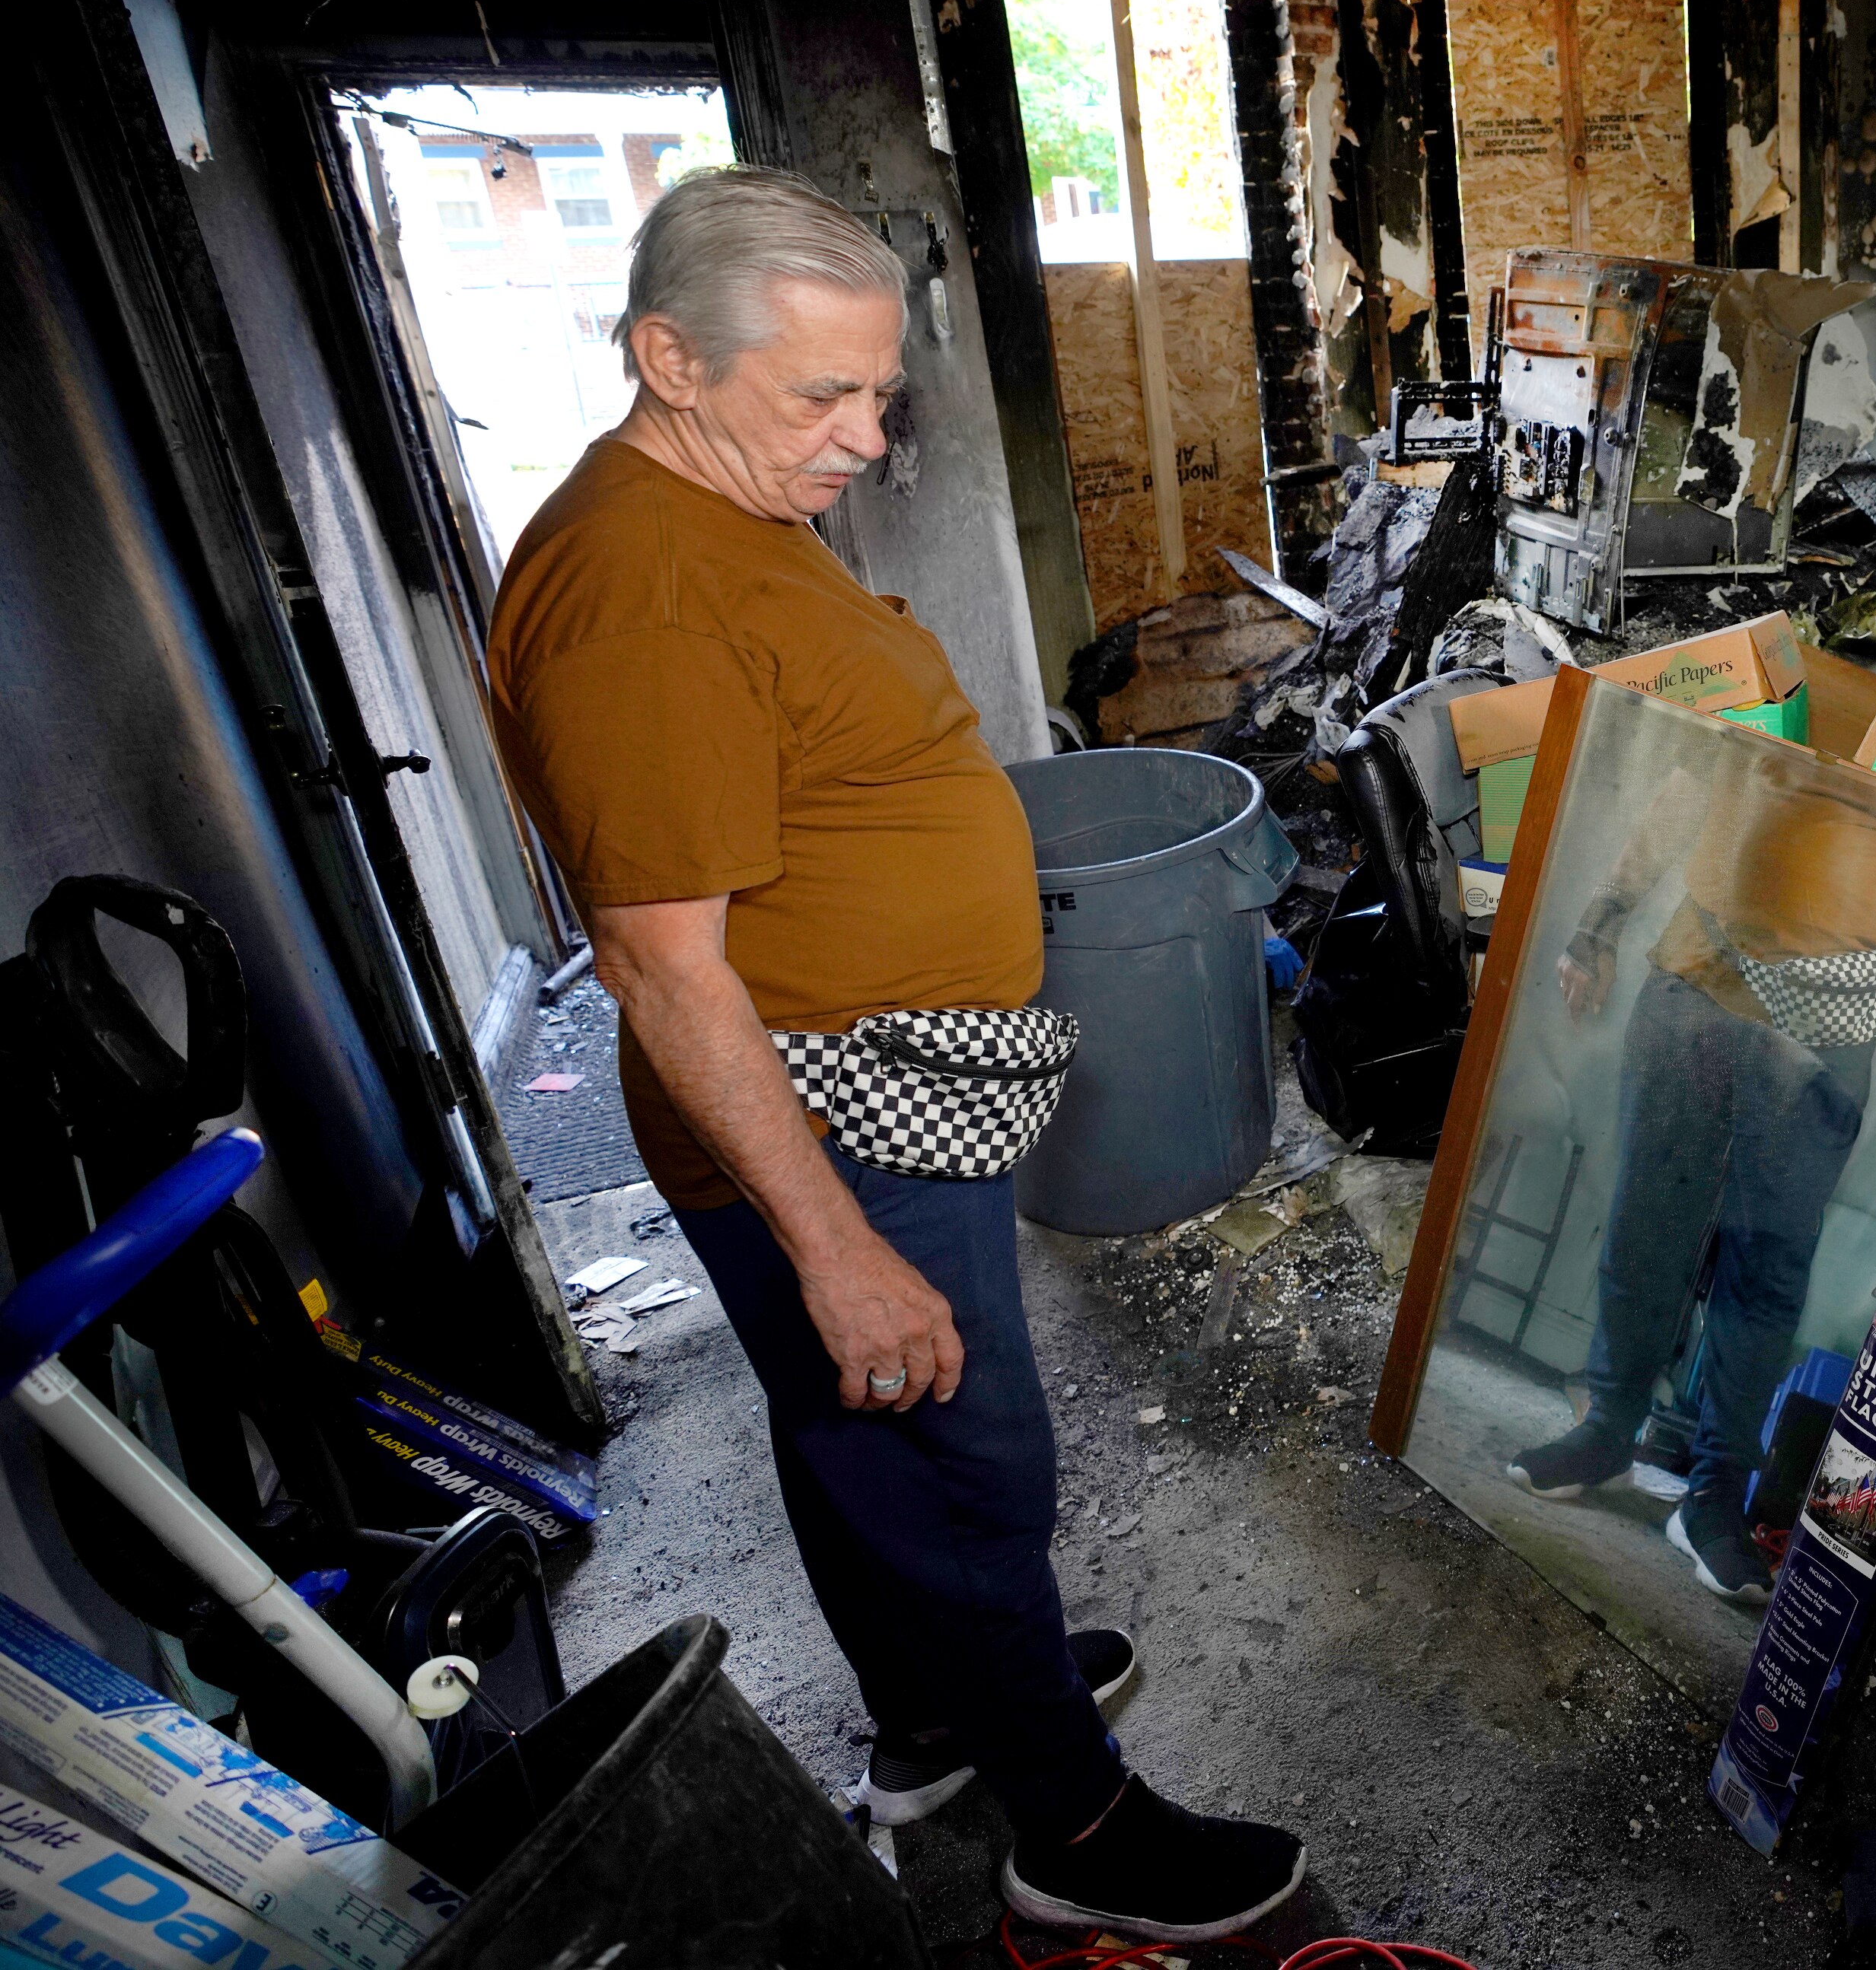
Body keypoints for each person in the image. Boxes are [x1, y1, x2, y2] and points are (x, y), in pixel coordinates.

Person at [486, 167, 1301, 1944]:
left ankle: (943, 1705)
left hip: (878, 1071)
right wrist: (835, 1245)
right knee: (955, 1455)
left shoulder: (713, 504)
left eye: (878, 396)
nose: (862, 437)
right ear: (667, 358)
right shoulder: (638, 590)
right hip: (824, 1110)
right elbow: (657, 959)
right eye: (820, 397)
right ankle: (1074, 1823)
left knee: (859, 1444)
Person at [1503, 741, 1876, 1602]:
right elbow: (1678, 794)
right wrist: (1596, 926)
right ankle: (1608, 1429)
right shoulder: (1792, 703)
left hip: (1832, 1041)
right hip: (1694, 989)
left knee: (1767, 1270)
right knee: (1649, 1228)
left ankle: (1714, 1495)